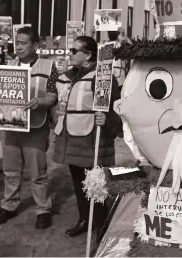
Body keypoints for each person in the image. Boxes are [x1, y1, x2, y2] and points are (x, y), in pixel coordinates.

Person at [0, 26, 58, 229]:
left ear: (35, 45)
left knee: (38, 172)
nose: (17, 46)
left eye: (22, 43)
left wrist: (39, 102)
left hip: (35, 127)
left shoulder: (48, 67)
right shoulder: (7, 65)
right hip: (9, 127)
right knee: (10, 171)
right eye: (16, 43)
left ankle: (43, 208)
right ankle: (9, 206)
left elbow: (53, 96)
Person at [53, 36, 120, 237]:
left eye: (74, 51)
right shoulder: (68, 76)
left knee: (95, 183)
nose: (70, 54)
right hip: (70, 137)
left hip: (92, 137)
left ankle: (101, 223)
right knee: (78, 181)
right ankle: (85, 219)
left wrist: (106, 118)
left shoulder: (103, 77)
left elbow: (116, 107)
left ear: (88, 55)